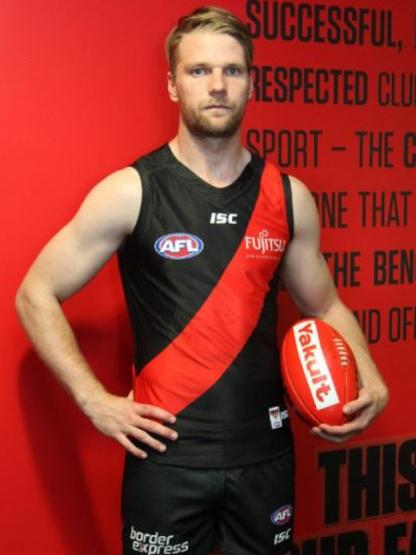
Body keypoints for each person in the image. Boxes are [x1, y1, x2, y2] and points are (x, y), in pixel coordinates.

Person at [15, 6, 388, 555]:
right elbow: (35, 293)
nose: (217, 85)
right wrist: (94, 399)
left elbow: (326, 305)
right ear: (172, 85)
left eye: (232, 71)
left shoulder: (289, 198)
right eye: (198, 71)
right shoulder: (131, 191)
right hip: (167, 458)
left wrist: (371, 375)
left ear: (251, 82)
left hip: (264, 455)